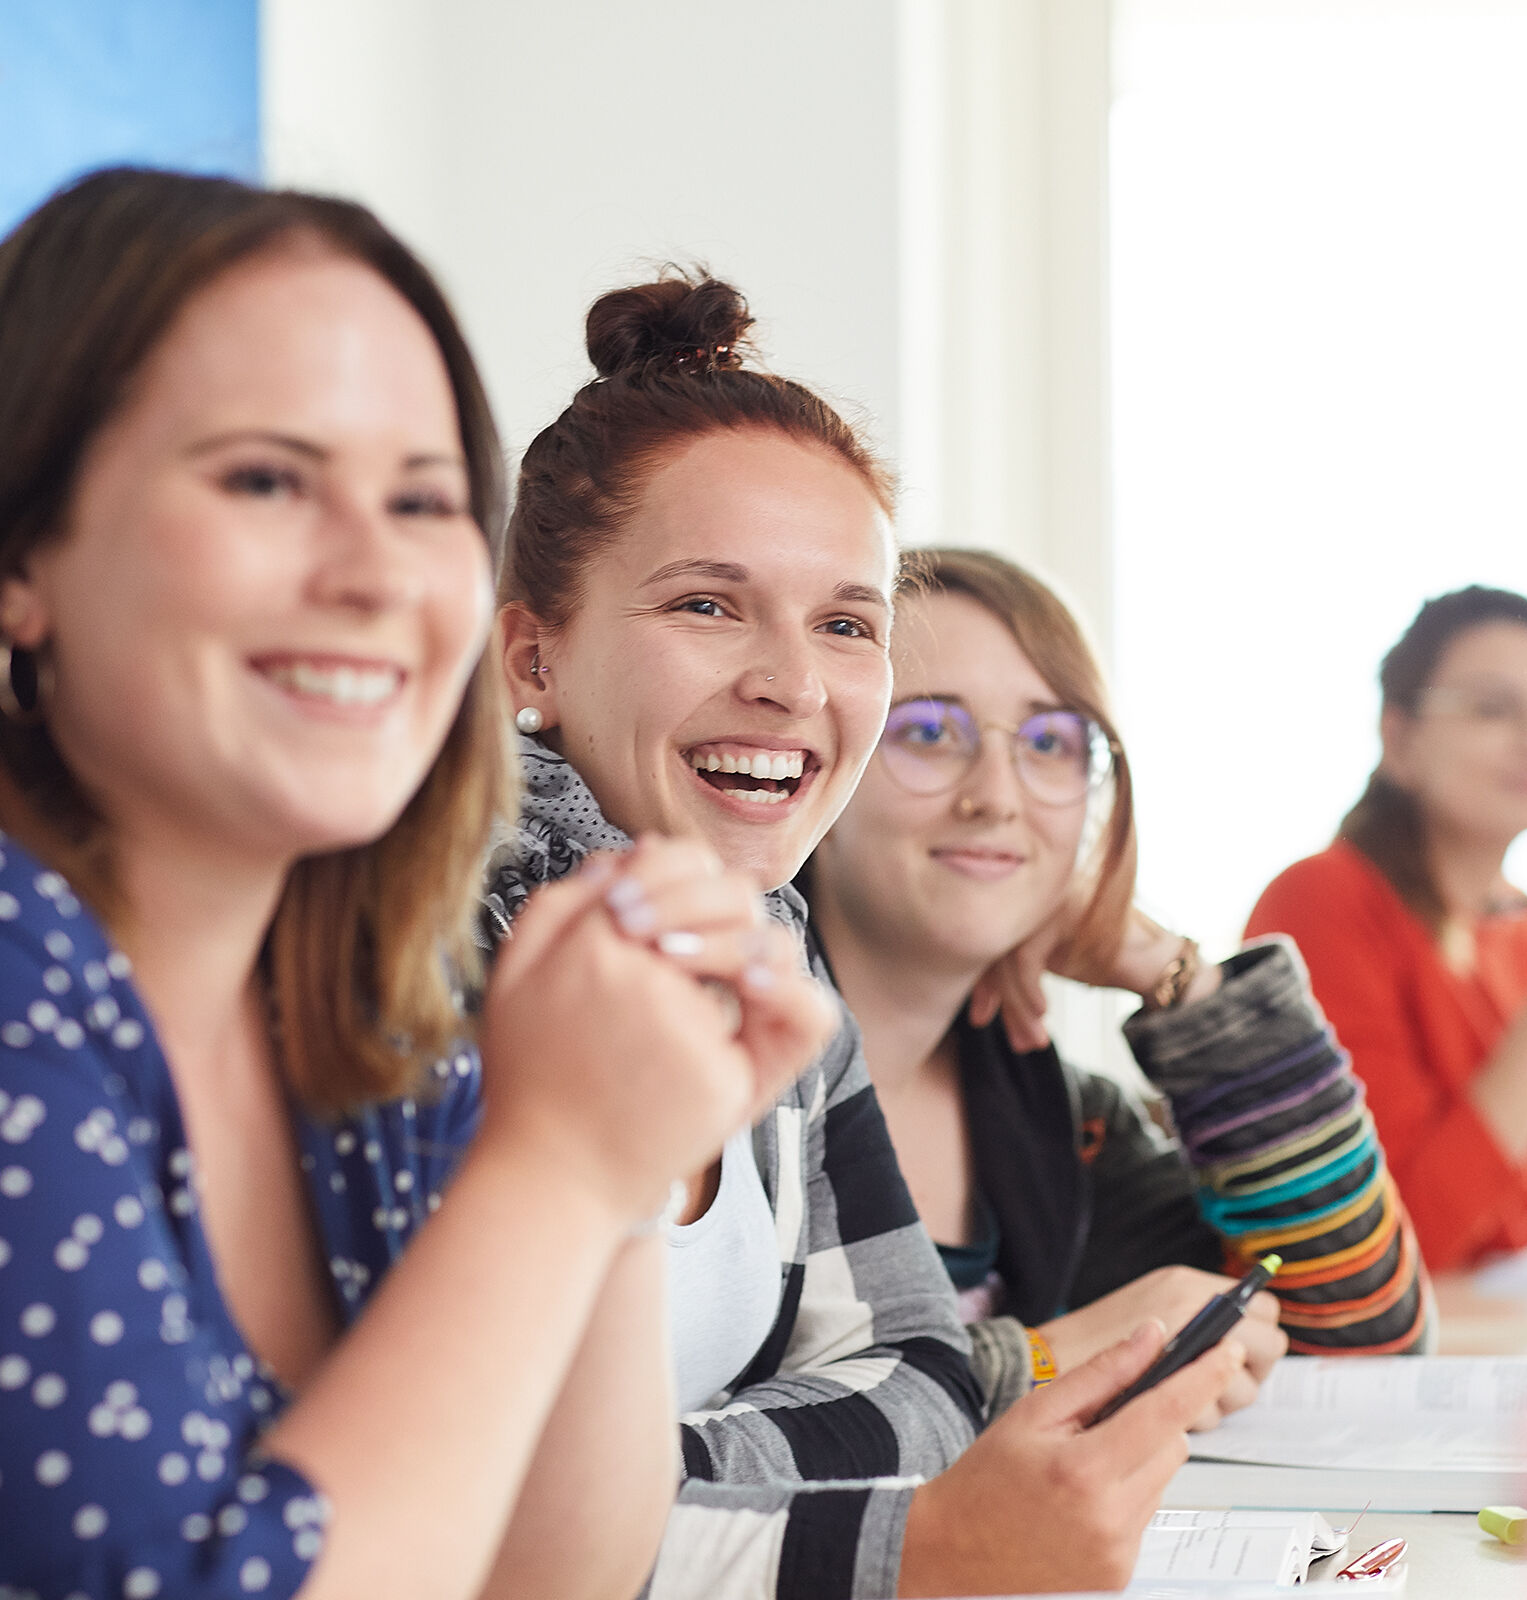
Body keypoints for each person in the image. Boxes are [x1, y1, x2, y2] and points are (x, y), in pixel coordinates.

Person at [0, 169, 835, 1600]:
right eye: (267, 480)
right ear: (24, 555)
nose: (376, 571)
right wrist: (558, 1164)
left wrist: (620, 1157)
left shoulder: (357, 1005)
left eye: (424, 500)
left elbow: (545, 1576)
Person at [487, 271, 1244, 1599]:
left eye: (846, 623)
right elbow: (450, 1516)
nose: (792, 683)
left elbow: (924, 1377)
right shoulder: (440, 960)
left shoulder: (770, 951)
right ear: (533, 660)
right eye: (706, 604)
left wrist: (622, 1497)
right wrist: (891, 1537)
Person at [802, 547, 1430, 1421]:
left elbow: (1360, 1331)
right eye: (930, 731)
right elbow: (721, 1422)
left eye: (1050, 742)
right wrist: (1049, 1362)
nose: (998, 795)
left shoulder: (1066, 1122)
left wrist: (1171, 974)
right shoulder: (727, 1081)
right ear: (818, 765)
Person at [1247, 586, 1527, 1272]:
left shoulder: (1524, 926)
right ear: (1399, 735)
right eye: (1493, 709)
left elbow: (1508, 1212)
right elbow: (1409, 1235)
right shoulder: (1318, 903)